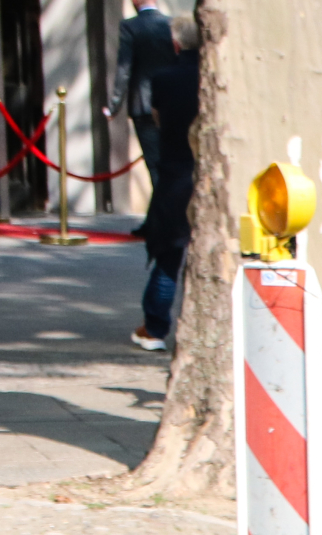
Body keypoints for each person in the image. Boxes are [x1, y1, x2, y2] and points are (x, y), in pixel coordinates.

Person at [131, 15, 199, 351]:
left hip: (175, 174)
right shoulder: (216, 79)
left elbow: (159, 121)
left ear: (176, 44)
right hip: (209, 174)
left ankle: (155, 327)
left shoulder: (164, 79)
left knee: (169, 255)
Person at [104, 0, 175, 216]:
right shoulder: (170, 24)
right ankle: (157, 219)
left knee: (154, 165)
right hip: (168, 104)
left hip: (143, 105)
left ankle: (163, 219)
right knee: (168, 162)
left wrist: (114, 106)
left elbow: (124, 69)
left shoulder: (130, 26)